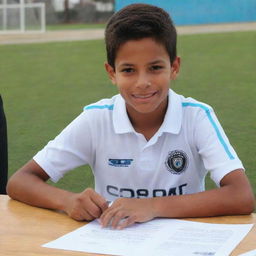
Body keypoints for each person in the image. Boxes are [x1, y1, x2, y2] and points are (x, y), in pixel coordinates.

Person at [7, 3, 254, 229]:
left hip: (180, 244)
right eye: (128, 70)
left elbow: (241, 196)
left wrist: (153, 207)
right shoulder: (96, 120)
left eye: (155, 68)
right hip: (114, 242)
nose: (143, 83)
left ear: (174, 67)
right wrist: (68, 200)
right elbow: (20, 181)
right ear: (111, 73)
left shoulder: (197, 117)